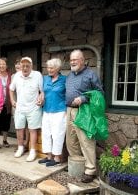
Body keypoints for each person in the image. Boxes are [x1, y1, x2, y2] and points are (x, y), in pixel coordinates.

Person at [66, 49, 104, 183]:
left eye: (75, 60)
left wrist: (83, 99)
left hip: (84, 111)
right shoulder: (70, 75)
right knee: (71, 140)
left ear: (82, 60)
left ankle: (90, 170)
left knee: (86, 142)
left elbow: (99, 93)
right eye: (71, 60)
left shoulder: (90, 75)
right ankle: (77, 165)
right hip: (69, 110)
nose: (72, 62)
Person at [10, 57, 44, 162]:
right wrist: (12, 100)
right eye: (23, 66)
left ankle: (32, 151)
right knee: (19, 128)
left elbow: (42, 91)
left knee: (32, 129)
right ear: (20, 66)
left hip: (34, 107)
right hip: (20, 107)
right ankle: (20, 148)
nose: (25, 68)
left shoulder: (37, 75)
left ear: (31, 66)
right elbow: (11, 89)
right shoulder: (16, 76)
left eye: (27, 66)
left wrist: (41, 98)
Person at [38, 58, 66, 166]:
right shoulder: (45, 79)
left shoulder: (64, 80)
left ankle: (57, 158)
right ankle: (49, 156)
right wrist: (40, 99)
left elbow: (68, 95)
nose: (49, 70)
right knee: (46, 133)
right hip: (46, 110)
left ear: (58, 68)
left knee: (57, 134)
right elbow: (42, 93)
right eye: (48, 67)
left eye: (52, 68)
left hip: (59, 110)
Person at [0, 57, 12, 148]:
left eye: (3, 64)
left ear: (6, 65)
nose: (2, 65)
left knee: (6, 122)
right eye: (0, 64)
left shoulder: (10, 75)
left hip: (7, 103)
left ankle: (5, 140)